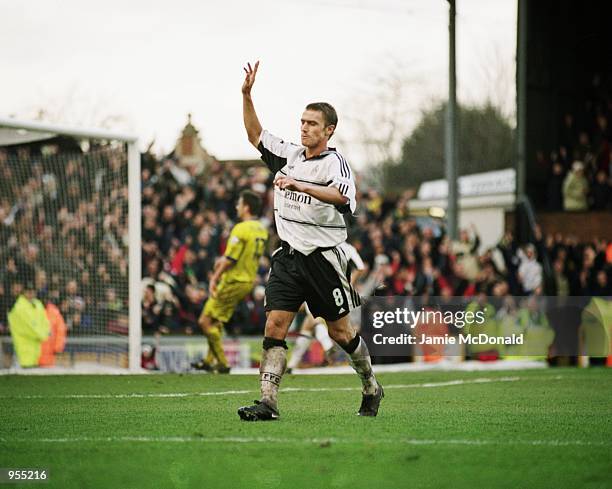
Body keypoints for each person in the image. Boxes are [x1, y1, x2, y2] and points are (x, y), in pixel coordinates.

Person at [237, 61, 383, 421]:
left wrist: (300, 185)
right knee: (274, 326)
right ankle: (268, 402)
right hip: (288, 258)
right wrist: (246, 95)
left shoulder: (336, 164)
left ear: (328, 130)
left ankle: (370, 385)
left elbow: (343, 198)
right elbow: (255, 134)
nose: (304, 128)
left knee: (340, 332)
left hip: (323, 260)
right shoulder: (287, 155)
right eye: (302, 122)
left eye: (312, 124)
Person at [191, 190, 268, 374]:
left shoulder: (241, 228)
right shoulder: (261, 229)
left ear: (246, 207)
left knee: (204, 321)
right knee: (215, 321)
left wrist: (214, 277)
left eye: (239, 204)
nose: (237, 207)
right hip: (247, 281)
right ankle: (209, 361)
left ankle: (223, 363)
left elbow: (230, 259)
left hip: (233, 280)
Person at [286, 241, 366, 373]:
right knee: (309, 323)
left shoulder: (321, 244)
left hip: (324, 287)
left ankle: (328, 347)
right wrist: (347, 284)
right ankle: (292, 364)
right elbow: (361, 267)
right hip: (339, 291)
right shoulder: (348, 247)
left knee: (314, 320)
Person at [8, 281, 50, 368]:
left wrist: (44, 333)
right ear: (24, 292)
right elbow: (26, 327)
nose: (31, 293)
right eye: (28, 291)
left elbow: (45, 321)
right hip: (24, 349)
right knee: (25, 373)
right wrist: (42, 335)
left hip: (37, 348)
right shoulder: (18, 307)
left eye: (33, 291)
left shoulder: (38, 304)